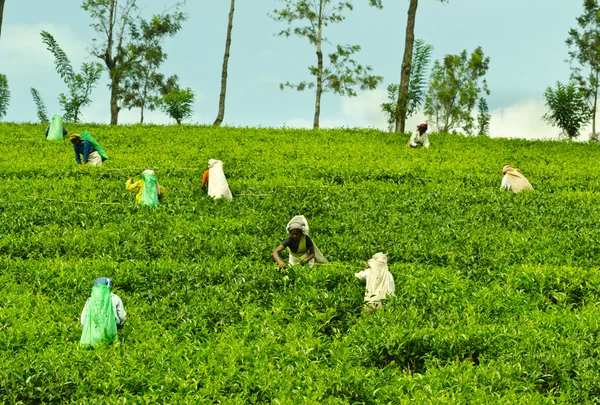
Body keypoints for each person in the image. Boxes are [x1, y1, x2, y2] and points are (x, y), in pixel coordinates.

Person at [80, 277, 126, 347]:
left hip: (93, 334)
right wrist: (119, 327)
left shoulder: (90, 300)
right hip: (112, 332)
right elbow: (122, 316)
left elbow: (83, 320)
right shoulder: (115, 298)